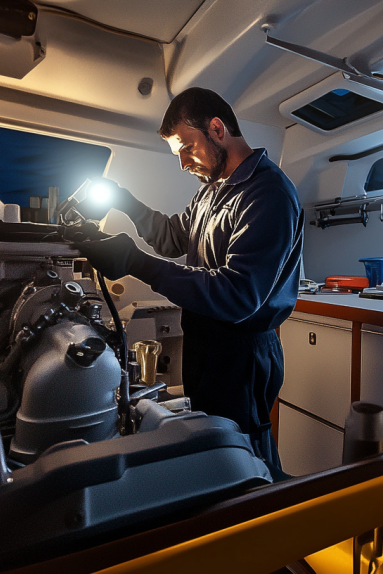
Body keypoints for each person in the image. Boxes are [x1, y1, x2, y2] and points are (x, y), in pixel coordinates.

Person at [74, 87, 303, 471]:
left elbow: (237, 294)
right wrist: (123, 200)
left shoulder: (268, 193)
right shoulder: (210, 191)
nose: (183, 163)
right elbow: (171, 238)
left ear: (217, 129)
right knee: (214, 452)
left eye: (187, 148)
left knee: (245, 458)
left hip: (241, 355)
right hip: (204, 344)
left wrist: (133, 260)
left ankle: (274, 503)